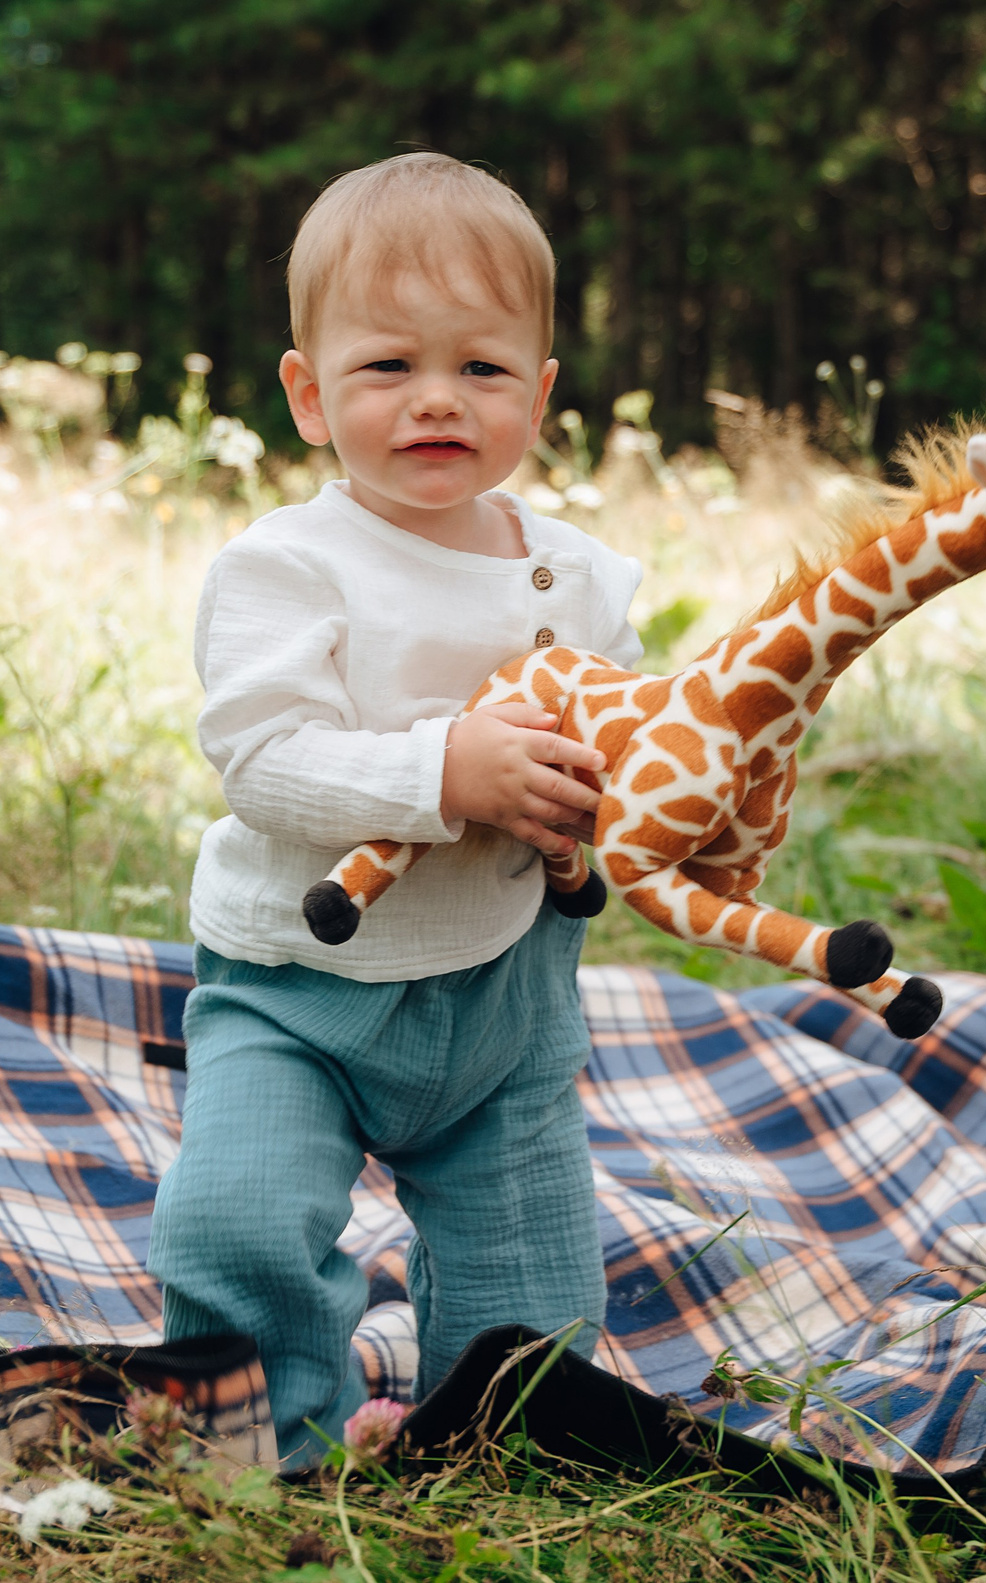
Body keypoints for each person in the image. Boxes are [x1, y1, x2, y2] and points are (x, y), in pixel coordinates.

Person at [148, 153, 641, 1469]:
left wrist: (609, 819)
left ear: (538, 395)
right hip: (300, 988)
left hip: (507, 1005)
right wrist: (446, 775)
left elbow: (631, 751)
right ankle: (268, 1453)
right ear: (310, 396)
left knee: (529, 1296)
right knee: (233, 1223)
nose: (438, 400)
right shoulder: (287, 566)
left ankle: (493, 1455)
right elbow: (262, 756)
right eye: (388, 369)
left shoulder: (584, 580)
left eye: (481, 370)